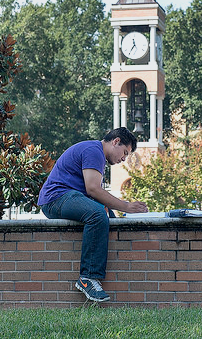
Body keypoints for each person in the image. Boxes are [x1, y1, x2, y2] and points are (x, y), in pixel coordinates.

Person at [38, 127, 148, 302]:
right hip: (56, 199)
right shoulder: (93, 151)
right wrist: (127, 206)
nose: (123, 159)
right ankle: (88, 278)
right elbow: (93, 189)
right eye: (125, 153)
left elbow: (93, 194)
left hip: (71, 197)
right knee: (97, 214)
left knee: (108, 215)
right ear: (116, 141)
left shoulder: (96, 154)